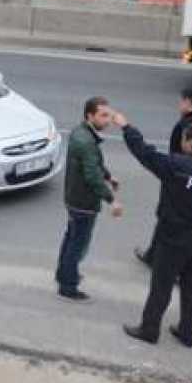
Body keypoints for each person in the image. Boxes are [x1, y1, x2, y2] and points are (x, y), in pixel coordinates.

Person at [113, 114, 192, 347]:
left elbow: (145, 153)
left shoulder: (177, 165)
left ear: (191, 143)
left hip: (173, 236)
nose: (182, 142)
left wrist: (127, 127)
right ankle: (188, 333)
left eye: (185, 139)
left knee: (162, 285)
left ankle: (149, 329)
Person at [135, 88, 192, 267]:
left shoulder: (184, 127)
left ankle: (160, 259)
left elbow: (173, 158)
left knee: (167, 219)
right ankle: (156, 254)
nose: (179, 106)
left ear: (188, 102)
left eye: (181, 102)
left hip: (180, 180)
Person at [55, 96, 123, 303]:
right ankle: (68, 286)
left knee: (71, 238)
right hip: (83, 203)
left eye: (109, 115)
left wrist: (108, 176)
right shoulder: (86, 141)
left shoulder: (82, 133)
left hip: (74, 198)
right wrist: (112, 200)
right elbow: (92, 174)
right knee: (78, 244)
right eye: (103, 115)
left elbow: (94, 164)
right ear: (89, 116)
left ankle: (64, 274)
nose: (108, 120)